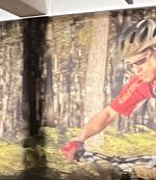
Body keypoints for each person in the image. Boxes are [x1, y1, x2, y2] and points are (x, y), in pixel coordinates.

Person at [62, 18, 156, 161]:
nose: (137, 70)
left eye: (140, 61)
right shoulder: (140, 82)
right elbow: (109, 114)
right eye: (131, 65)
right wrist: (80, 138)